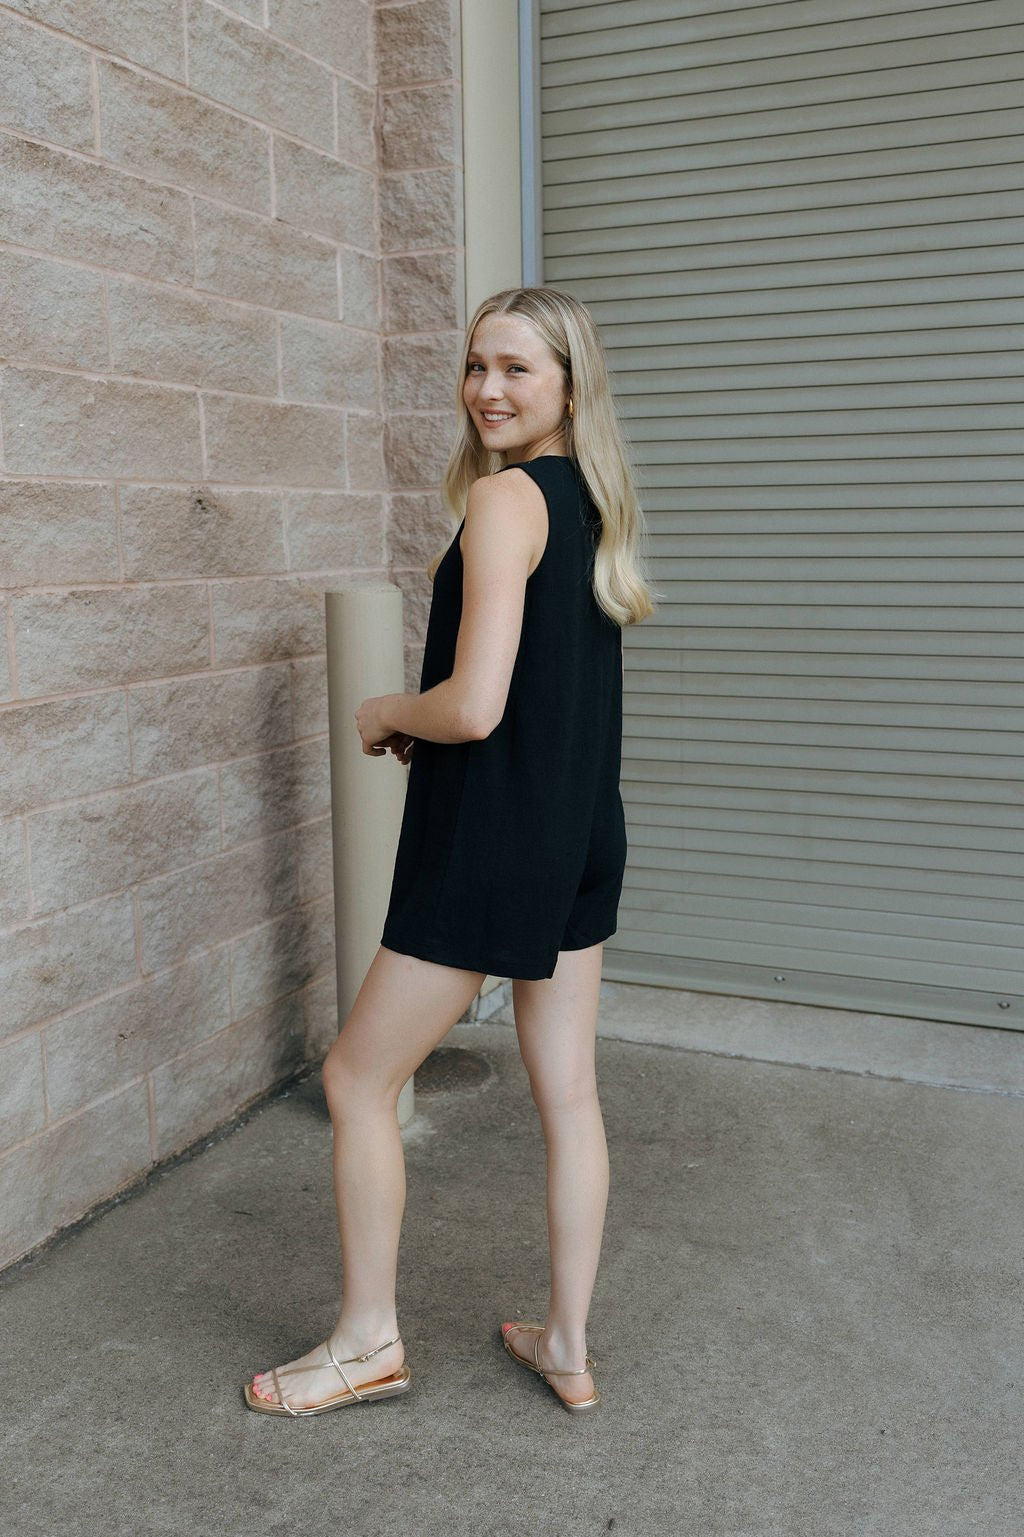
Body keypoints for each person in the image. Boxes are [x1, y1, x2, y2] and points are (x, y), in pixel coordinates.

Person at [244, 286, 656, 1418]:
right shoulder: (590, 503)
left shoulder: (505, 500)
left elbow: (473, 707)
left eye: (517, 368)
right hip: (578, 834)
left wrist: (385, 710)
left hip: (492, 843)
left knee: (356, 1079)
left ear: (569, 384)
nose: (487, 389)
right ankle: (566, 1344)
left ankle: (366, 1341)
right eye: (477, 365)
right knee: (568, 1093)